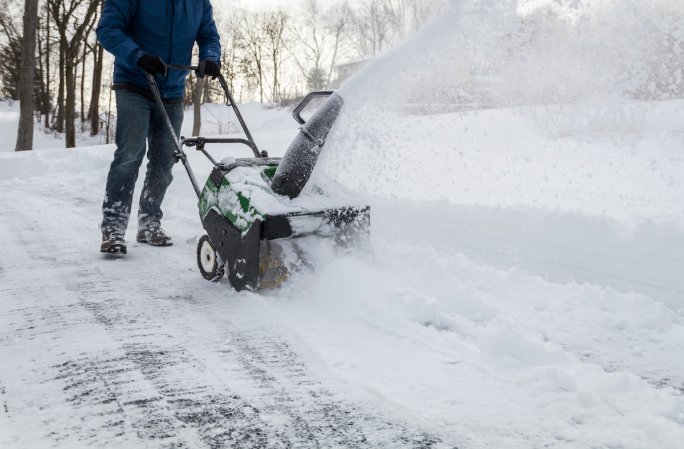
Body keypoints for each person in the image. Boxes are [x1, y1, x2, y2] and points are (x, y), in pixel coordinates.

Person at [96, 0, 221, 254]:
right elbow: (108, 29)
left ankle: (149, 222)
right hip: (134, 81)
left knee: (165, 160)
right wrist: (138, 56)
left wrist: (210, 57)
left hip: (172, 88)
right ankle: (113, 227)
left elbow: (208, 34)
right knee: (130, 154)